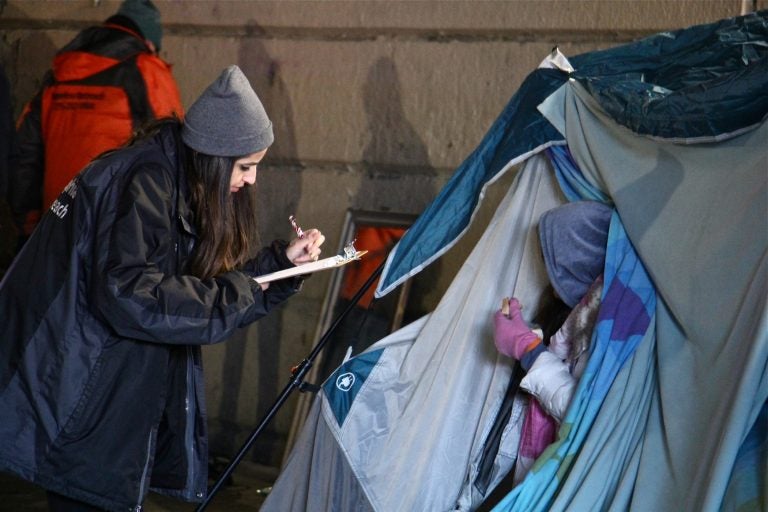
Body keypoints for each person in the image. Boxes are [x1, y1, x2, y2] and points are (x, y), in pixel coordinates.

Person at [0, 65, 325, 512]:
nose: (251, 180)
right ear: (214, 154)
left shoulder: (169, 177)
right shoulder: (143, 181)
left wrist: (278, 268)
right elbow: (134, 296)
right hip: (80, 395)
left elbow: (183, 300)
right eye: (246, 166)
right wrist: (247, 286)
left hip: (101, 392)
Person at [8, 0, 183, 251]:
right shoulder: (147, 70)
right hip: (115, 232)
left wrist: (30, 226)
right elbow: (174, 149)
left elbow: (24, 153)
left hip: (56, 224)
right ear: (148, 42)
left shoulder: (58, 76)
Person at [491, 201, 612, 489]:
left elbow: (586, 414)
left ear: (580, 263)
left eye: (555, 265)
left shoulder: (607, 327)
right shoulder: (578, 317)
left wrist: (530, 352)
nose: (549, 277)